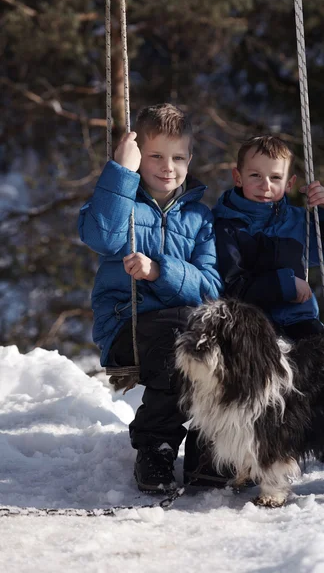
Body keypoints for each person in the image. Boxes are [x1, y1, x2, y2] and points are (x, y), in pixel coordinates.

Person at [78, 103, 223, 493]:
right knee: (178, 352)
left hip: (187, 325)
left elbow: (211, 286)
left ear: (190, 159)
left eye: (178, 157)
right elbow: (101, 236)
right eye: (155, 155)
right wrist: (121, 173)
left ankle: (209, 447)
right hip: (130, 323)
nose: (167, 166)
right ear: (139, 155)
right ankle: (156, 447)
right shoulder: (121, 201)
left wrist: (160, 270)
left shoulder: (200, 218)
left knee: (225, 353)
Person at [213, 135, 324, 342]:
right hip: (250, 328)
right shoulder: (226, 226)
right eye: (255, 175)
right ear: (238, 177)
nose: (266, 186)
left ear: (289, 183)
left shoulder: (298, 223)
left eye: (275, 178)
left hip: (300, 322)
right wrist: (285, 285)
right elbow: (232, 289)